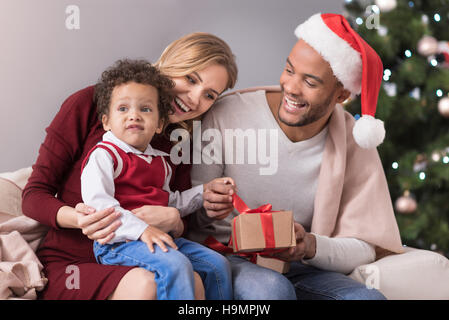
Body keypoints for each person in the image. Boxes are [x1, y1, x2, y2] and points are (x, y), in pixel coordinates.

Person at [186, 13, 404, 300]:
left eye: (310, 83)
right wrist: (209, 203)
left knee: (368, 299)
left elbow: (366, 245)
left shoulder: (353, 140)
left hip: (301, 266)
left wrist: (310, 245)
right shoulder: (227, 114)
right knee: (270, 291)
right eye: (289, 70)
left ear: (341, 95)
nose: (291, 87)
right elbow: (193, 217)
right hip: (229, 256)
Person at [22, 32, 238, 300]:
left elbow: (178, 212)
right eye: (190, 79)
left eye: (209, 95)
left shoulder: (177, 142)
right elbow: (33, 196)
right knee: (149, 284)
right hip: (74, 261)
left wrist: (179, 219)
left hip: (143, 251)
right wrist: (84, 220)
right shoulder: (91, 105)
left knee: (197, 280)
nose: (194, 98)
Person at [81, 59, 233, 300]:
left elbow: (170, 204)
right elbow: (100, 207)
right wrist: (142, 230)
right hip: (119, 242)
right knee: (175, 266)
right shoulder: (105, 155)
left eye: (145, 109)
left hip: (159, 237)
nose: (134, 116)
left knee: (217, 265)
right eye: (123, 109)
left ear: (160, 123)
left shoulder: (161, 161)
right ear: (106, 121)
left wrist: (203, 192)